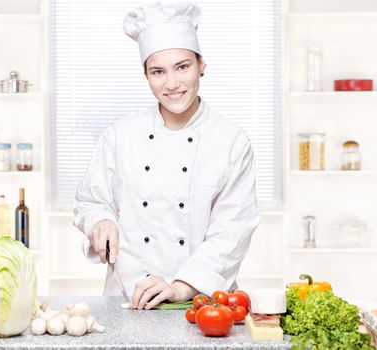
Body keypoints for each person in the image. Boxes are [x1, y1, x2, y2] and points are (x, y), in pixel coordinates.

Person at [74, 2, 260, 310]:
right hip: (127, 299)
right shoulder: (120, 135)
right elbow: (91, 201)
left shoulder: (231, 141)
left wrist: (180, 287)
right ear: (146, 75)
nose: (171, 84)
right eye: (158, 71)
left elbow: (232, 231)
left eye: (182, 66)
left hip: (203, 302)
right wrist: (101, 220)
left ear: (202, 64)